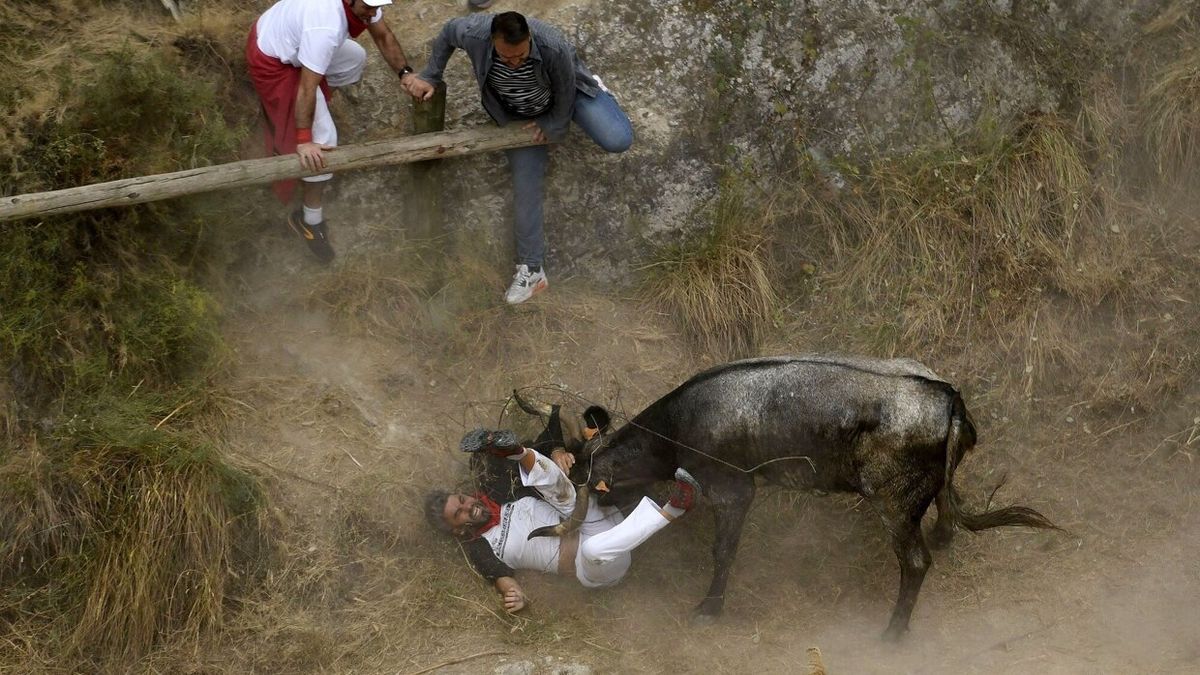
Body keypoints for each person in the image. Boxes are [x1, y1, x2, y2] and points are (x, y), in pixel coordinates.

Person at [407, 11, 634, 303]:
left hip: (568, 93)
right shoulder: (474, 32)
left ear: (529, 40)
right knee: (525, 188)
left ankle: (598, 90)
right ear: (492, 42)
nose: (514, 62)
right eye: (506, 57)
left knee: (618, 139)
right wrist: (430, 75)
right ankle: (532, 270)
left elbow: (564, 90)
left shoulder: (552, 44)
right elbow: (448, 31)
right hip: (519, 114)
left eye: (521, 56)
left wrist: (552, 125)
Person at [425, 429, 700, 612]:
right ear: (457, 529)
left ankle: (519, 451)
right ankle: (673, 509)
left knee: (558, 490)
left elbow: (548, 484)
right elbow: (502, 578)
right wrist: (515, 595)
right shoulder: (481, 548)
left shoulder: (495, 494)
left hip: (591, 515)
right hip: (597, 565)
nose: (467, 507)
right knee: (593, 550)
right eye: (458, 513)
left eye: (462, 500)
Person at [246, 0, 421, 263]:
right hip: (272, 59)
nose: (373, 13)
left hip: (282, 33)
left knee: (354, 58)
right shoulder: (325, 28)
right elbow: (306, 88)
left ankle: (313, 106)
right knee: (323, 142)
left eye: (378, 6)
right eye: (369, 7)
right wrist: (305, 139)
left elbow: (383, 35)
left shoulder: (359, 7)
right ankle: (309, 221)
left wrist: (405, 74)